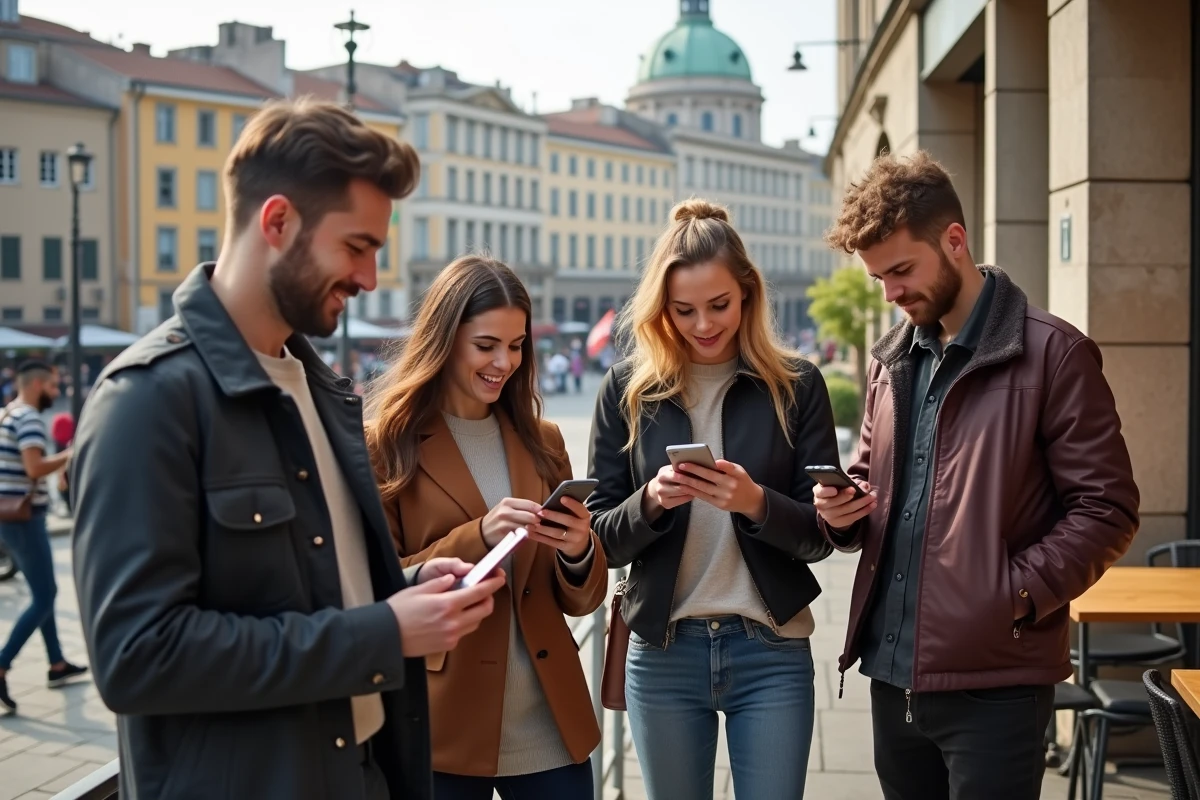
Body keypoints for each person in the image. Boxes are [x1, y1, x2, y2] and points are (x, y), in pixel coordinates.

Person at [70, 98, 506, 800]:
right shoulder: (146, 402)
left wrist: (399, 596)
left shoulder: (321, 390)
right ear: (277, 222)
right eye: (356, 246)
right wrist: (379, 634)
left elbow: (306, 592)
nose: (368, 278)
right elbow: (135, 658)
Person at [815, 150, 1139, 800]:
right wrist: (843, 509)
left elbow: (1107, 509)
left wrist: (1010, 595)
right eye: (878, 277)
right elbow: (873, 479)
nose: (890, 293)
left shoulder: (1055, 354)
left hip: (996, 686)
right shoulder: (891, 361)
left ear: (955, 241)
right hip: (889, 675)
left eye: (901, 270)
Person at [587, 199, 840, 800]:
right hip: (663, 651)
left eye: (719, 305)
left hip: (771, 649)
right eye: (684, 310)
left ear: (748, 294)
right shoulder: (627, 389)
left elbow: (820, 535)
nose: (703, 324)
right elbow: (597, 534)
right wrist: (649, 502)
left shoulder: (797, 384)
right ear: (661, 310)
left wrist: (756, 503)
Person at [367, 255, 607, 799]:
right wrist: (480, 536)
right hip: (443, 727)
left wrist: (577, 551)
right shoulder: (385, 446)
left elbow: (581, 599)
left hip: (551, 723)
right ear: (445, 339)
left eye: (517, 345)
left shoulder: (543, 441)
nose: (505, 361)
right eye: (486, 345)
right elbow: (377, 584)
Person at [0, 361, 87, 715]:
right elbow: (35, 468)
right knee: (46, 594)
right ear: (36, 384)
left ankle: (56, 663)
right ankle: (3, 663)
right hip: (25, 517)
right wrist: (73, 452)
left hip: (11, 515)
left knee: (42, 590)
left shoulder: (8, 413)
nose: (57, 392)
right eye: (53, 386)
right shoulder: (31, 418)